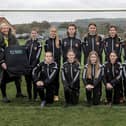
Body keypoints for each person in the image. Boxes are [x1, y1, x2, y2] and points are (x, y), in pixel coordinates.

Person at [0, 23, 25, 103]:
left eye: (7, 28)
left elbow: (17, 47)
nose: (5, 30)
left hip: (12, 60)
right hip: (2, 61)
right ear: (1, 29)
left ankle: (19, 93)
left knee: (17, 76)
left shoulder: (12, 37)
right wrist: (2, 61)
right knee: (3, 79)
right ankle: (4, 96)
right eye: (3, 28)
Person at [104, 25, 123, 103]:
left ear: (116, 31)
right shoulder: (106, 40)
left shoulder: (119, 40)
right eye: (111, 30)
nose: (112, 31)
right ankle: (107, 96)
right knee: (108, 77)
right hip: (108, 62)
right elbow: (105, 51)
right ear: (109, 31)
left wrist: (115, 59)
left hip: (117, 61)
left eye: (113, 30)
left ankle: (121, 96)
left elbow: (120, 52)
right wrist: (109, 59)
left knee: (119, 79)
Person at [25, 28, 42, 101]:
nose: (33, 34)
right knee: (28, 82)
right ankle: (29, 97)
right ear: (30, 34)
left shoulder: (39, 43)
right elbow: (24, 54)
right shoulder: (27, 42)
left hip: (34, 66)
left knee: (34, 82)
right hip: (27, 66)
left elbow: (38, 56)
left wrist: (33, 65)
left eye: (35, 33)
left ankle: (35, 97)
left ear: (37, 34)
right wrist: (26, 64)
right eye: (32, 33)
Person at [44, 26, 61, 101]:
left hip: (57, 64)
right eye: (52, 31)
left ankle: (56, 95)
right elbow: (46, 53)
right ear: (49, 32)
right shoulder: (47, 42)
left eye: (54, 31)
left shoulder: (59, 41)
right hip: (49, 64)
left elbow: (61, 52)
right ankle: (50, 93)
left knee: (56, 79)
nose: (53, 33)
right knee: (50, 79)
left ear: (56, 33)